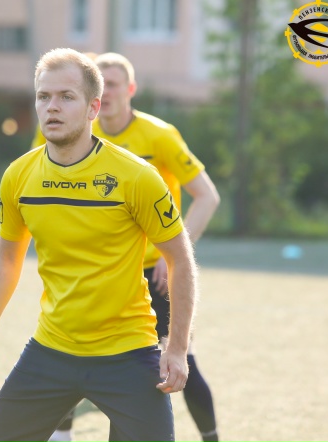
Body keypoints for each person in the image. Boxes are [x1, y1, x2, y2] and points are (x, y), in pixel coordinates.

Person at [0, 48, 198, 442]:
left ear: (93, 108)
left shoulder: (137, 177)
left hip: (128, 354)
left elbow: (180, 260)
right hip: (50, 350)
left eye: (66, 97)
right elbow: (6, 259)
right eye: (43, 96)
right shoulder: (19, 175)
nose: (52, 107)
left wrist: (176, 348)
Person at [36, 53, 221, 442]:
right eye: (101, 82)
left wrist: (176, 254)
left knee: (178, 360)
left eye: (115, 83)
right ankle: (62, 436)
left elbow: (207, 196)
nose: (107, 90)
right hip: (96, 272)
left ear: (130, 89)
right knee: (71, 352)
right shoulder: (68, 132)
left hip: (155, 275)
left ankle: (211, 437)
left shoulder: (159, 136)